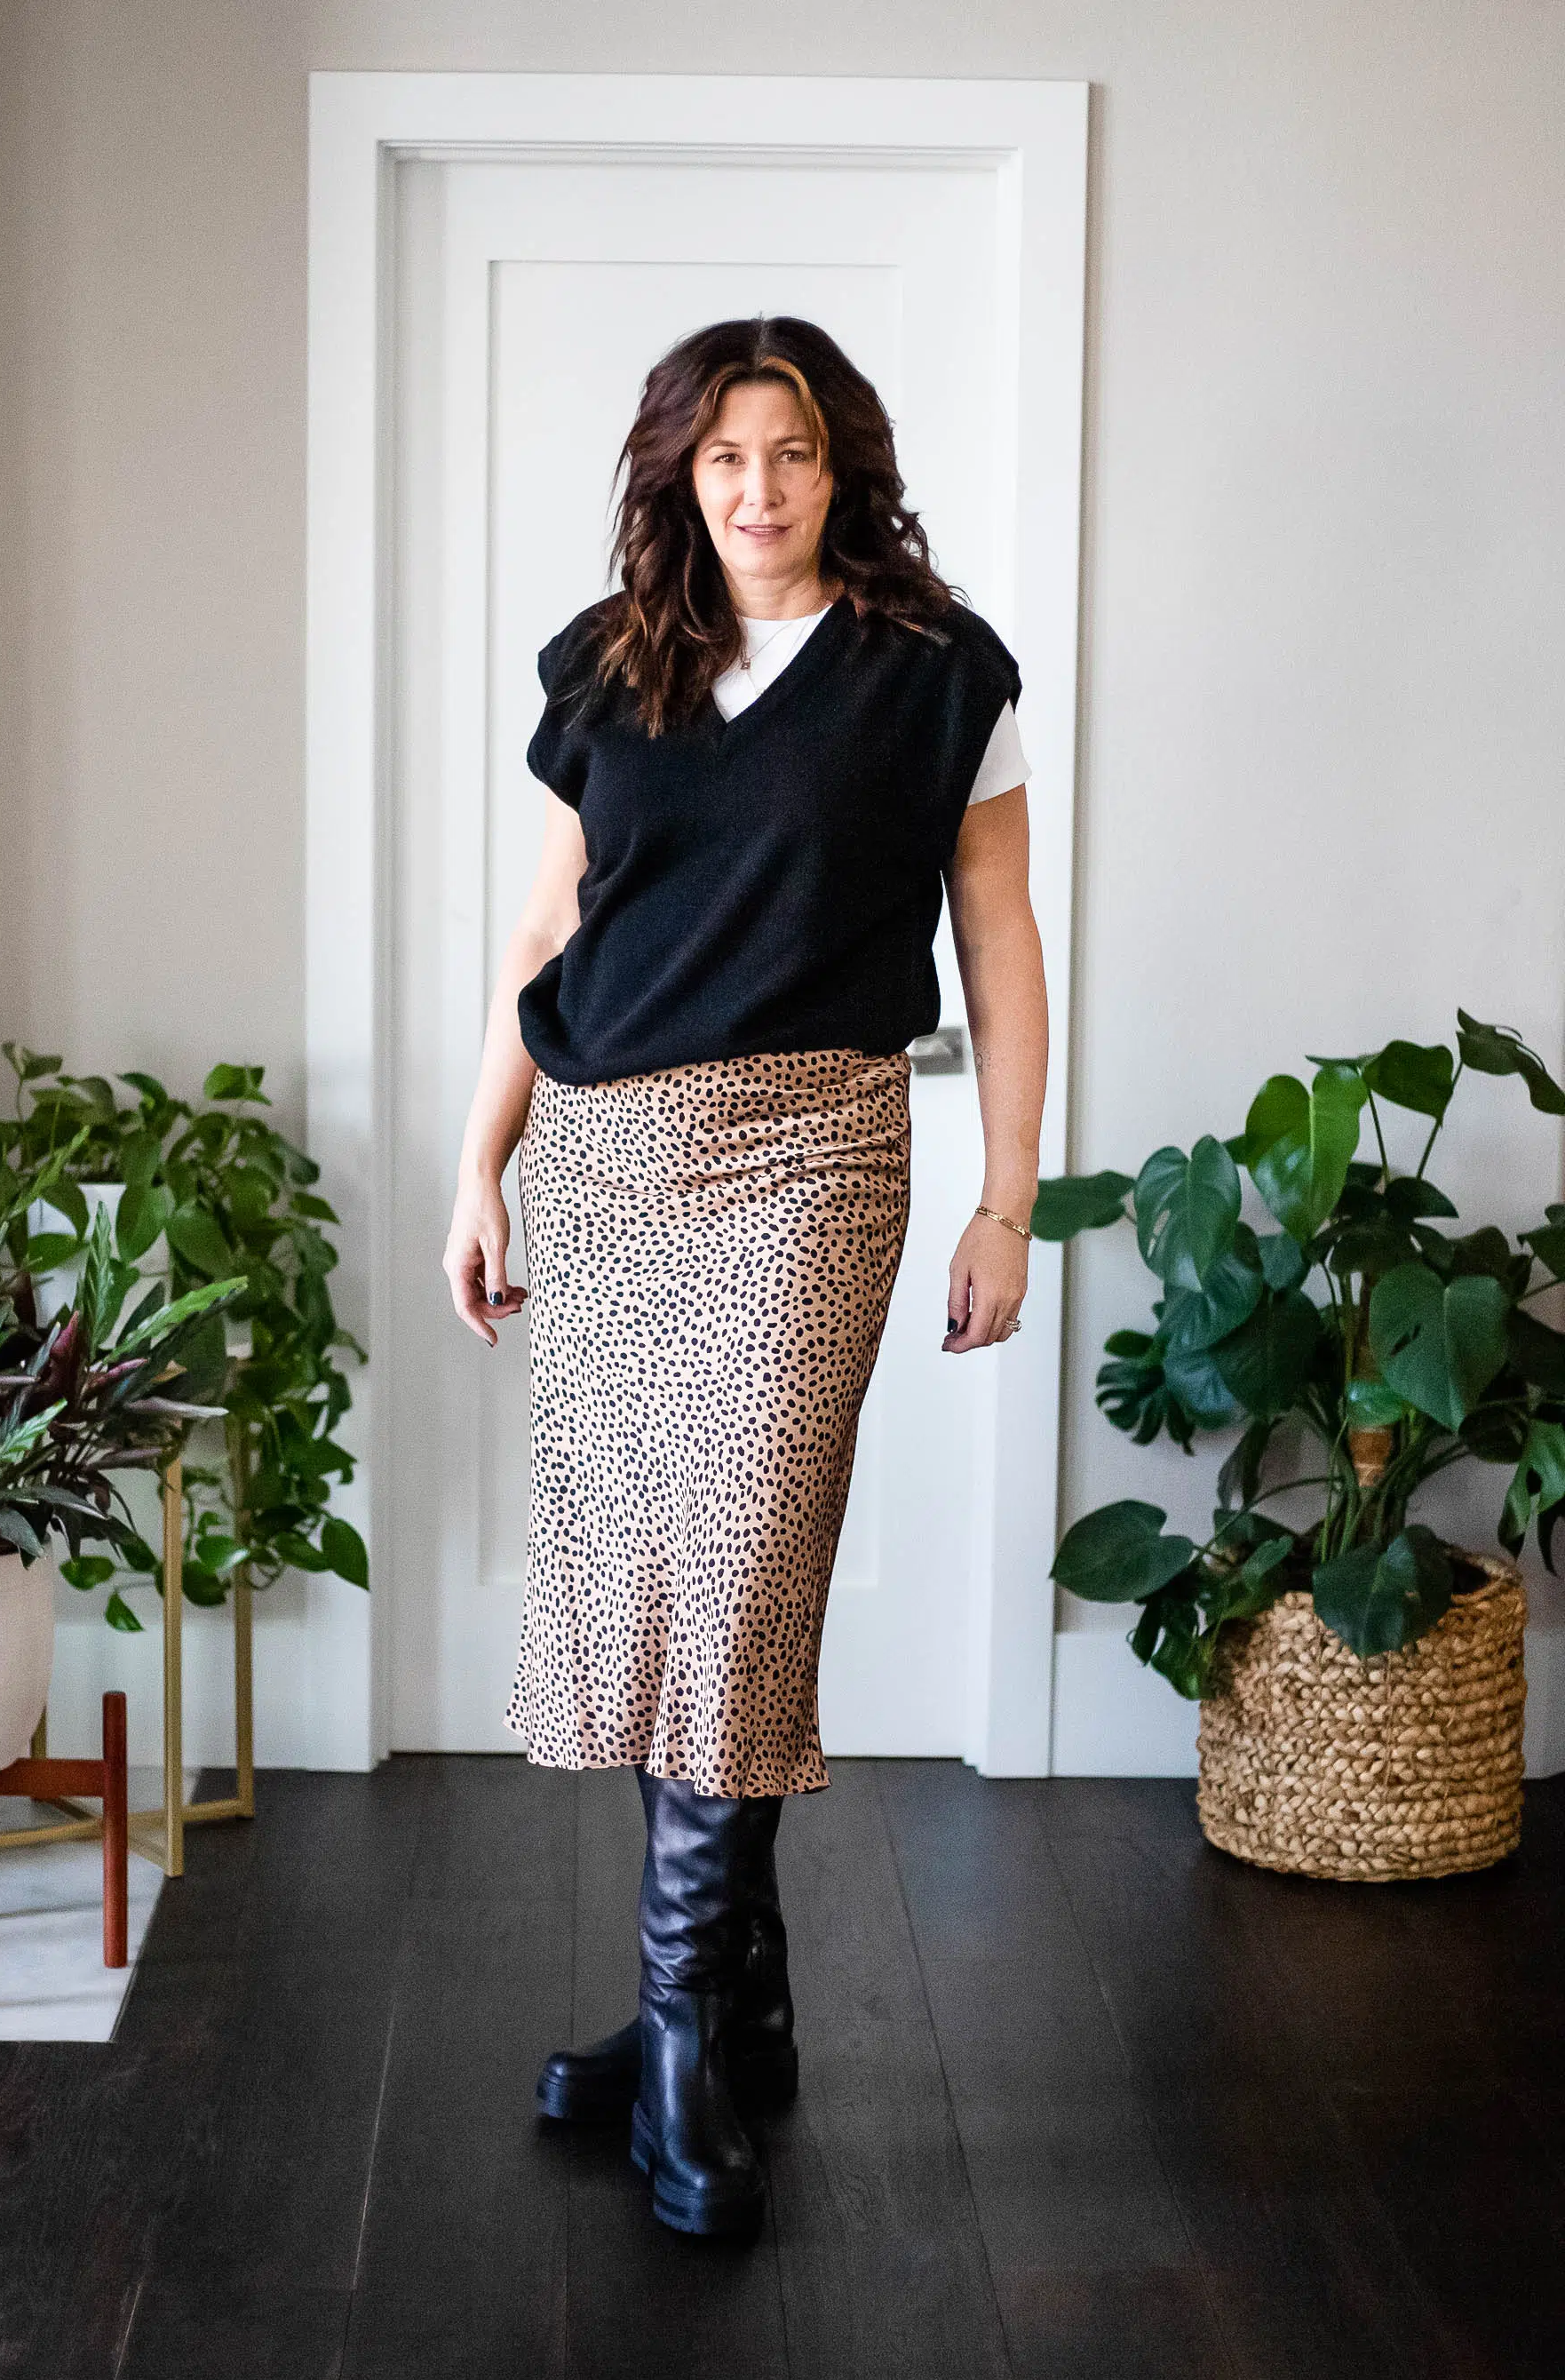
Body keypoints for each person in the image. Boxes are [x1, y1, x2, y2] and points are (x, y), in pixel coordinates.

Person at [443, 315, 1049, 2239]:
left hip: (809, 1150)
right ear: (677, 476)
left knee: (743, 1560)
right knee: (653, 1585)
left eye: (789, 453)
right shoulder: (609, 668)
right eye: (723, 459)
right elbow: (549, 925)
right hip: (610, 1157)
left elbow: (1000, 934)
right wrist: (484, 1157)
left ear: (842, 464)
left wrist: (1005, 1191)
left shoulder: (937, 677)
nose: (759, 491)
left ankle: (679, 2045)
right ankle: (729, 2002)